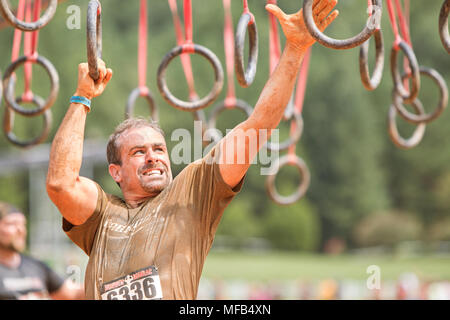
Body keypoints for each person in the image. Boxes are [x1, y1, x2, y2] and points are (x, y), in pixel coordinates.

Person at [46, 0, 338, 300]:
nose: (153, 157)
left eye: (159, 149)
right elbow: (60, 184)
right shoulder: (102, 215)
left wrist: (296, 49)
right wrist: (82, 97)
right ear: (115, 171)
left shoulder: (193, 191)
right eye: (138, 152)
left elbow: (258, 125)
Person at [0, 202, 84, 300]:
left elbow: (73, 294)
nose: (20, 230)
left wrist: (101, 285)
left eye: (22, 224)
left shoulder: (35, 266)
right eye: (12, 224)